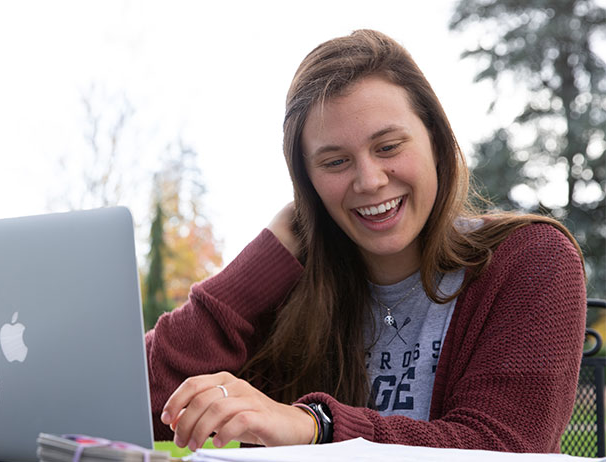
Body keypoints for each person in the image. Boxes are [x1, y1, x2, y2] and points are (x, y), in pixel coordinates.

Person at [145, 30, 587, 453]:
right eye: (335, 162)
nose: (370, 181)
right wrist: (267, 255)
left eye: (389, 146)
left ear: (435, 141)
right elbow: (130, 402)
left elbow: (500, 448)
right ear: (307, 183)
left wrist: (316, 427)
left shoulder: (533, 261)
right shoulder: (292, 295)